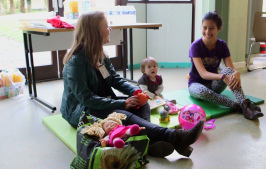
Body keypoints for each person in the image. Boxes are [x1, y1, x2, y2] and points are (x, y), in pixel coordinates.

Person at [60, 11, 204, 158]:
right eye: (106, 25)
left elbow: (115, 79)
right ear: (95, 31)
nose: (109, 29)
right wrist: (123, 104)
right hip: (82, 111)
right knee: (123, 114)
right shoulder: (75, 62)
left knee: (142, 103)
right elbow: (87, 99)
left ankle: (146, 141)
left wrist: (136, 93)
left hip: (101, 101)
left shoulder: (100, 55)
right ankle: (175, 137)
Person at [188, 11, 264, 120]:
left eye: (212, 28)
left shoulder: (222, 45)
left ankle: (245, 104)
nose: (207, 31)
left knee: (229, 72)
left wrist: (236, 73)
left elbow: (231, 69)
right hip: (196, 86)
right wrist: (223, 77)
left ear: (219, 29)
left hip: (214, 86)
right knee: (202, 91)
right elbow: (203, 74)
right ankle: (238, 106)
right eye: (205, 28)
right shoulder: (195, 46)